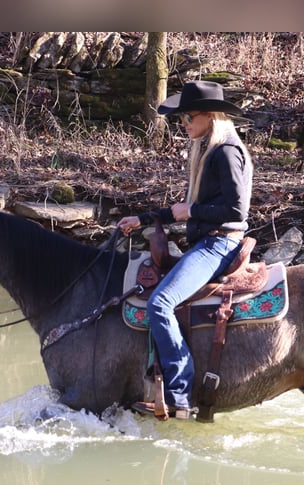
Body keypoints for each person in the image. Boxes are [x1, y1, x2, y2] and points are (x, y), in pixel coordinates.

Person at [118, 80, 253, 420]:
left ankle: (179, 395)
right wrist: (142, 218)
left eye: (188, 117)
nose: (184, 124)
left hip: (219, 243)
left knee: (160, 303)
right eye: (182, 118)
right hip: (209, 239)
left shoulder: (225, 152)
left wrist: (191, 212)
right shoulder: (210, 149)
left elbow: (236, 211)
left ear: (211, 116)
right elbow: (186, 207)